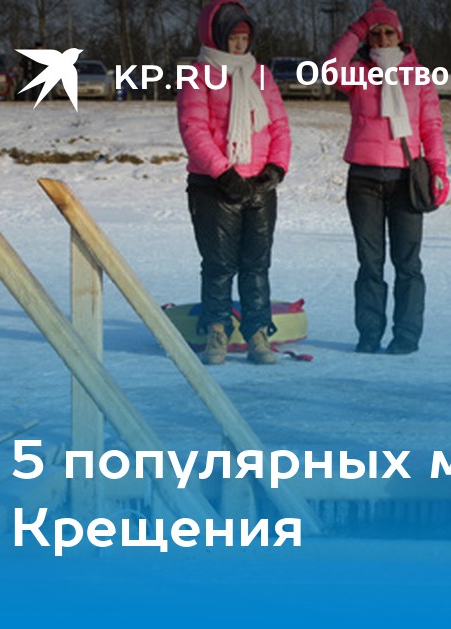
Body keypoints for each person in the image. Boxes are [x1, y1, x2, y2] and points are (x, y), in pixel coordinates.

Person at [327, 1, 448, 355]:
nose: (382, 39)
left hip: (406, 179)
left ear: (400, 36)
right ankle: (369, 334)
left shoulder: (419, 76)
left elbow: (431, 127)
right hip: (363, 180)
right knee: (370, 264)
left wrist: (439, 170)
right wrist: (357, 28)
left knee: (407, 264)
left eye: (388, 32)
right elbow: (330, 71)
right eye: (375, 33)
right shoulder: (359, 73)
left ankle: (406, 336)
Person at [177, 0, 291, 365]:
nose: (240, 45)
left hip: (258, 186)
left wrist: (276, 168)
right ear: (217, 36)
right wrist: (224, 173)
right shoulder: (198, 75)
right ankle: (217, 330)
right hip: (214, 187)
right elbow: (193, 129)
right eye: (233, 38)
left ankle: (257, 332)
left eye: (245, 38)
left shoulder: (261, 75)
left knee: (257, 265)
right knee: (219, 265)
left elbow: (279, 126)